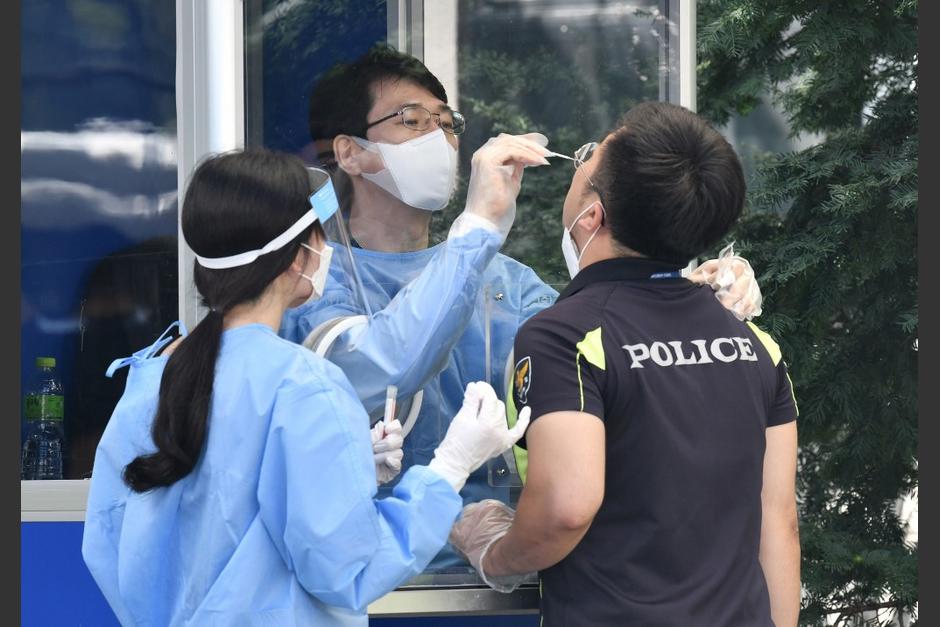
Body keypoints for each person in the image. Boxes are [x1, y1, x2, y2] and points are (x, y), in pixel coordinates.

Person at [280, 46, 764, 571]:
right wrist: (478, 228)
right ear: (350, 154)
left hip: (489, 579)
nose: (440, 138)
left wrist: (685, 288)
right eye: (412, 120)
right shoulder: (313, 277)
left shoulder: (506, 283)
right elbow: (377, 367)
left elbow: (597, 357)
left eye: (447, 123)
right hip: (367, 584)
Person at [81, 147, 531, 626]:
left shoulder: (152, 378)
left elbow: (110, 548)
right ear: (299, 258)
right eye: (322, 237)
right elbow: (348, 570)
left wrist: (349, 468)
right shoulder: (304, 385)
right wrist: (449, 468)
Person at [450, 102, 801, 627]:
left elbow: (567, 509)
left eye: (587, 161)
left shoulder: (563, 336)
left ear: (593, 217)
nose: (579, 163)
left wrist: (495, 551)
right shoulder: (752, 343)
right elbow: (780, 522)